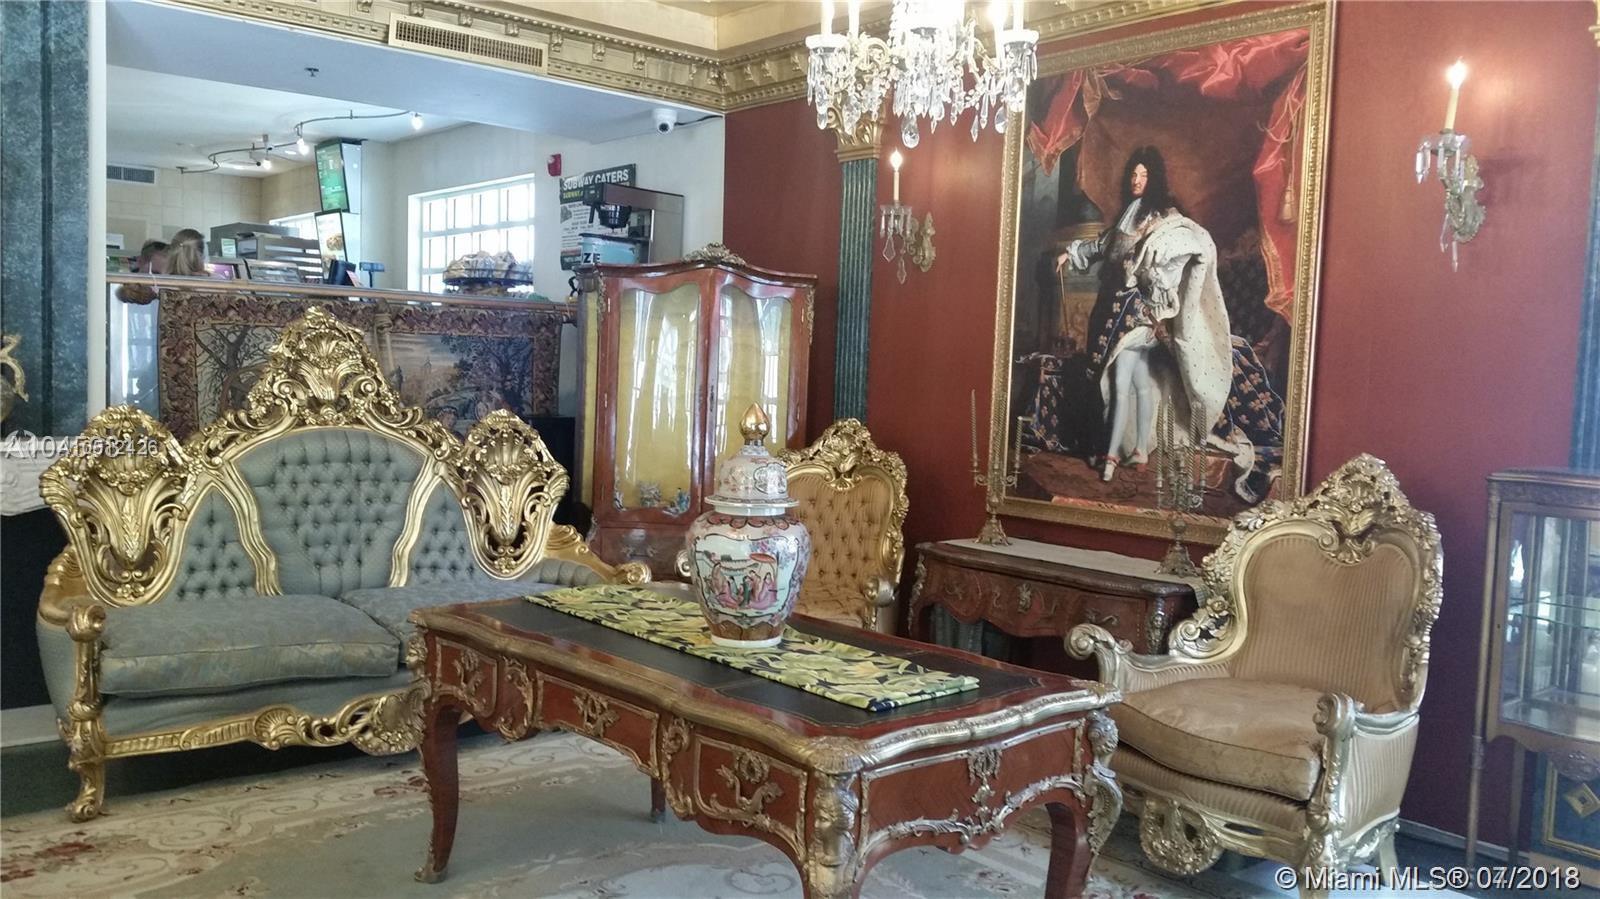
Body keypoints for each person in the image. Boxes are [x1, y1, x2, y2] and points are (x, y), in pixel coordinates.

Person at [1056, 146, 1232, 483]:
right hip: (1109, 307)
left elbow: (1182, 247)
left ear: (1154, 179)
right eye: (1133, 175)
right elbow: (1104, 245)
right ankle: (1136, 448)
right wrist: (1070, 253)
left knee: (1118, 377)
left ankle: (1109, 452)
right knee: (1136, 380)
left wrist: (1154, 288)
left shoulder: (1163, 217)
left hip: (1136, 313)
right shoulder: (1129, 212)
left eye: (1144, 175)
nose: (1137, 180)